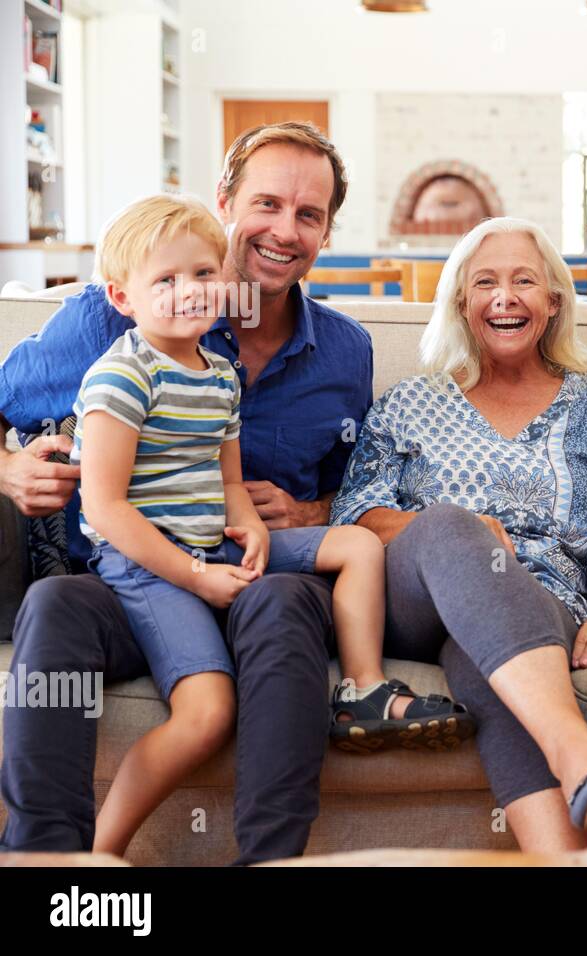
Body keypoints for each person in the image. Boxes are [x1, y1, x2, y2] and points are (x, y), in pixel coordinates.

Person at [0, 122, 378, 863]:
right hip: (125, 573)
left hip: (253, 575)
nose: (283, 230)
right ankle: (48, 860)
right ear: (226, 200)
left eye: (309, 214)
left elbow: (358, 492)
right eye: (266, 203)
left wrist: (308, 514)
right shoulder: (110, 322)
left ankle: (268, 857)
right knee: (54, 603)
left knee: (282, 602)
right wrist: (6, 469)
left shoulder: (347, 351)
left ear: (327, 230)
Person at [73, 194, 462, 856]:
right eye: (165, 280)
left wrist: (250, 526)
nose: (189, 292)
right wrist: (196, 576)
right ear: (122, 296)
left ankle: (362, 689)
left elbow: (228, 481)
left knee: (358, 544)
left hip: (213, 541)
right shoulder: (121, 377)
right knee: (206, 715)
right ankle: (100, 850)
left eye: (201, 274)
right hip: (147, 563)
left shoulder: (218, 375)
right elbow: (103, 510)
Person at [330, 216, 587, 850]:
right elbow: (357, 515)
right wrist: (461, 535)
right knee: (453, 527)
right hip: (415, 598)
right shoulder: (407, 403)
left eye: (524, 282)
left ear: (554, 303)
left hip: (542, 604)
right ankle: (576, 750)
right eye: (486, 282)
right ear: (461, 301)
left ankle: (564, 859)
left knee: (484, 664)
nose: (505, 297)